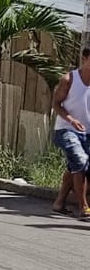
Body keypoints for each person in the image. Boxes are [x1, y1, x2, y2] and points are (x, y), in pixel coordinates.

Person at [51, 47, 90, 218]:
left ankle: (59, 203)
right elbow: (56, 104)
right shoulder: (69, 79)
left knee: (74, 167)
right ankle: (84, 207)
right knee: (80, 162)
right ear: (84, 59)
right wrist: (71, 120)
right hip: (66, 129)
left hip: (87, 132)